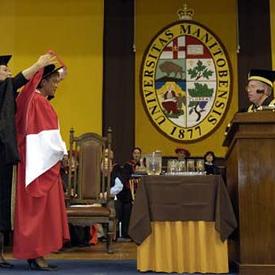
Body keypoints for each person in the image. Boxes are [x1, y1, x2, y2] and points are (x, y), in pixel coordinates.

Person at [0, 53, 56, 268]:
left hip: (3, 153)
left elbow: (22, 92)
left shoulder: (6, 92)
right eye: (4, 69)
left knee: (3, 202)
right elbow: (18, 82)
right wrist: (38, 65)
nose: (9, 72)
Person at [13, 63, 70, 270]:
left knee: (33, 210)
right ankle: (36, 254)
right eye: (54, 81)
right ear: (43, 81)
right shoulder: (39, 103)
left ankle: (35, 253)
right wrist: (62, 153)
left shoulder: (30, 100)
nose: (57, 85)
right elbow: (47, 138)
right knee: (40, 210)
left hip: (31, 162)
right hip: (41, 165)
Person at [117, 147, 142, 241]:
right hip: (128, 193)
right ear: (132, 154)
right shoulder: (128, 165)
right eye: (135, 153)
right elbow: (127, 178)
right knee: (127, 209)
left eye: (138, 153)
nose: (136, 155)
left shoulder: (143, 165)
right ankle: (126, 233)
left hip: (139, 192)